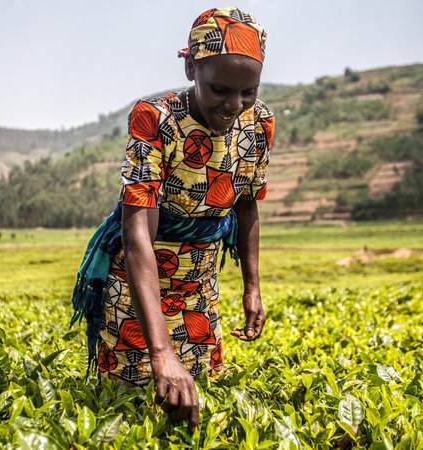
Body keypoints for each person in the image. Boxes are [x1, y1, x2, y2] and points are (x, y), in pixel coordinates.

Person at [71, 6, 274, 432]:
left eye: (247, 92)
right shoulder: (156, 119)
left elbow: (247, 203)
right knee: (127, 408)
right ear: (189, 68)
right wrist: (161, 351)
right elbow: (136, 234)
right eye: (219, 89)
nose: (234, 105)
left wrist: (253, 287)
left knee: (196, 399)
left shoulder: (259, 124)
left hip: (198, 280)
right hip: (136, 282)